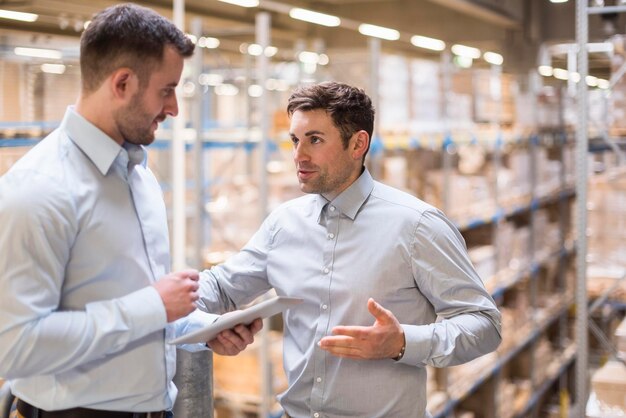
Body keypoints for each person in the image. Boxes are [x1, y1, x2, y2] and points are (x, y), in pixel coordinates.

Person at [0, 4, 260, 418]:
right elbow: (17, 346)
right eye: (166, 90)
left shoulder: (139, 178)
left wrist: (201, 330)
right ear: (122, 83)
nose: (174, 108)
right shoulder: (38, 190)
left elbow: (142, 311)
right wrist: (154, 307)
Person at [198, 81, 502, 417]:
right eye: (295, 141)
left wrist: (403, 342)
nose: (298, 155)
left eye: (314, 140)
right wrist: (183, 317)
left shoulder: (416, 225)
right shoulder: (283, 223)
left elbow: (484, 324)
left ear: (358, 143)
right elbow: (221, 287)